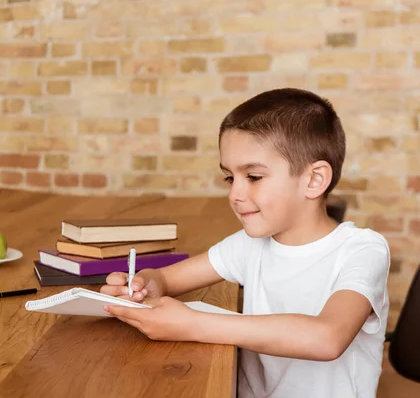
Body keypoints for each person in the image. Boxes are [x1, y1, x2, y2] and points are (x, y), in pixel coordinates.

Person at [101, 88, 390, 398]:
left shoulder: (362, 251)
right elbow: (167, 277)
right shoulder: (250, 245)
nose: (234, 194)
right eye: (230, 178)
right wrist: (145, 284)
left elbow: (327, 338)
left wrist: (192, 324)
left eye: (253, 176)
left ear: (314, 180)